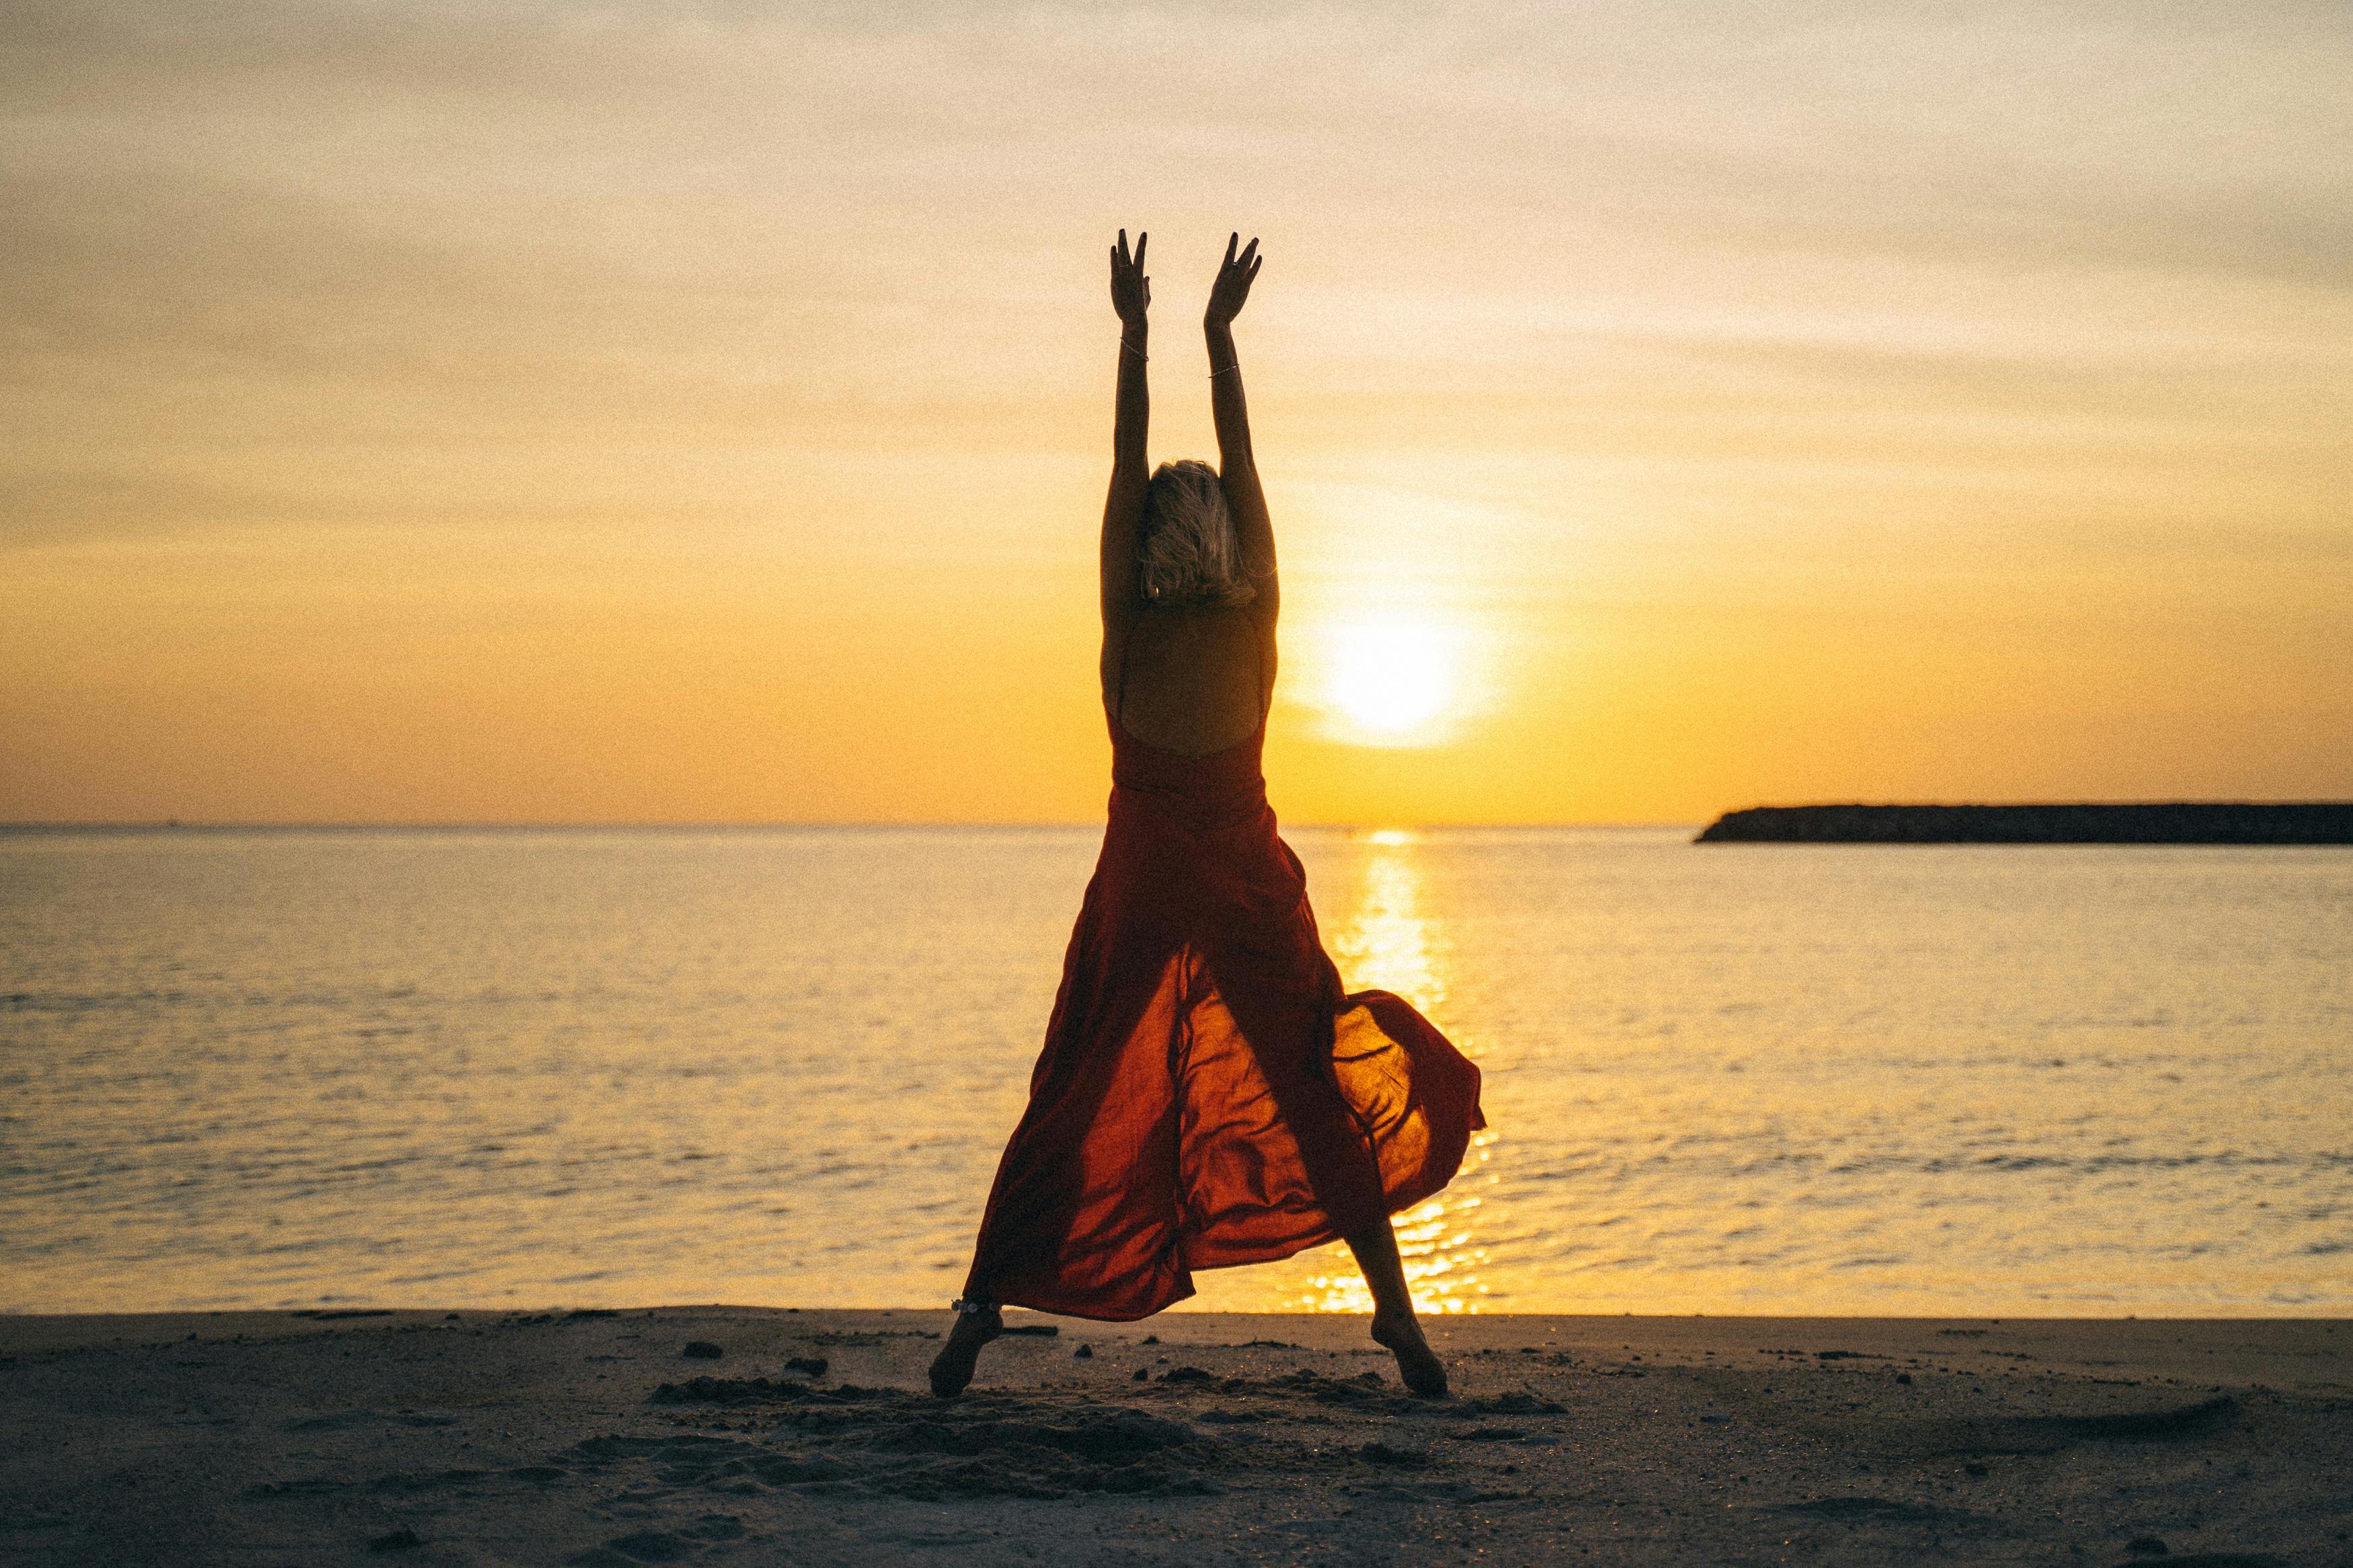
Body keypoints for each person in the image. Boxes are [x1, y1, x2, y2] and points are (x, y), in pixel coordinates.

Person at [929, 231, 1485, 1400]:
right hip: (1242, 875)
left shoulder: (1125, 630)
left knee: (1073, 1081)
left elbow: (1124, 459)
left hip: (1142, 876)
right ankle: (1398, 1318)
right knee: (1308, 1085)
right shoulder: (1257, 622)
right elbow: (1238, 463)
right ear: (1230, 538)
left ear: (1141, 547)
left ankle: (980, 1304)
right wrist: (1218, 342)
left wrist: (1133, 339)